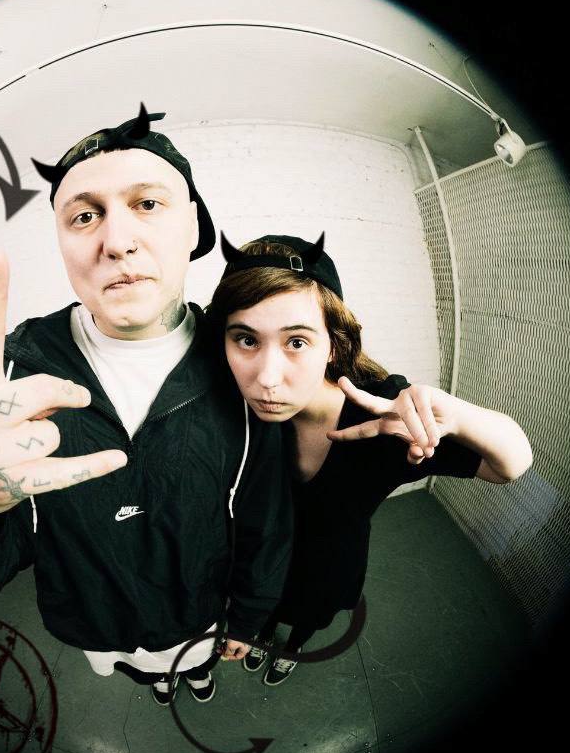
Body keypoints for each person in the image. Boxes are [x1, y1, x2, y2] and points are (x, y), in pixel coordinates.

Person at [0, 104, 293, 708]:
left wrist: (247, 617)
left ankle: (193, 676)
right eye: (84, 216)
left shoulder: (244, 366)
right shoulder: (14, 371)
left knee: (193, 666)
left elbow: (264, 517)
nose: (116, 241)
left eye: (148, 204)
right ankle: (160, 681)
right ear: (61, 243)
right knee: (143, 674)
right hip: (95, 622)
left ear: (194, 225)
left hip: (199, 614)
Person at [205, 232, 533, 687]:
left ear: (333, 345)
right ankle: (264, 635)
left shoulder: (384, 418)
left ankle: (291, 649)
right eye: (246, 339)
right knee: (267, 614)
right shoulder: (233, 414)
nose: (267, 377)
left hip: (328, 569)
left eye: (296, 342)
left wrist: (453, 414)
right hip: (257, 567)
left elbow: (509, 466)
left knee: (306, 621)